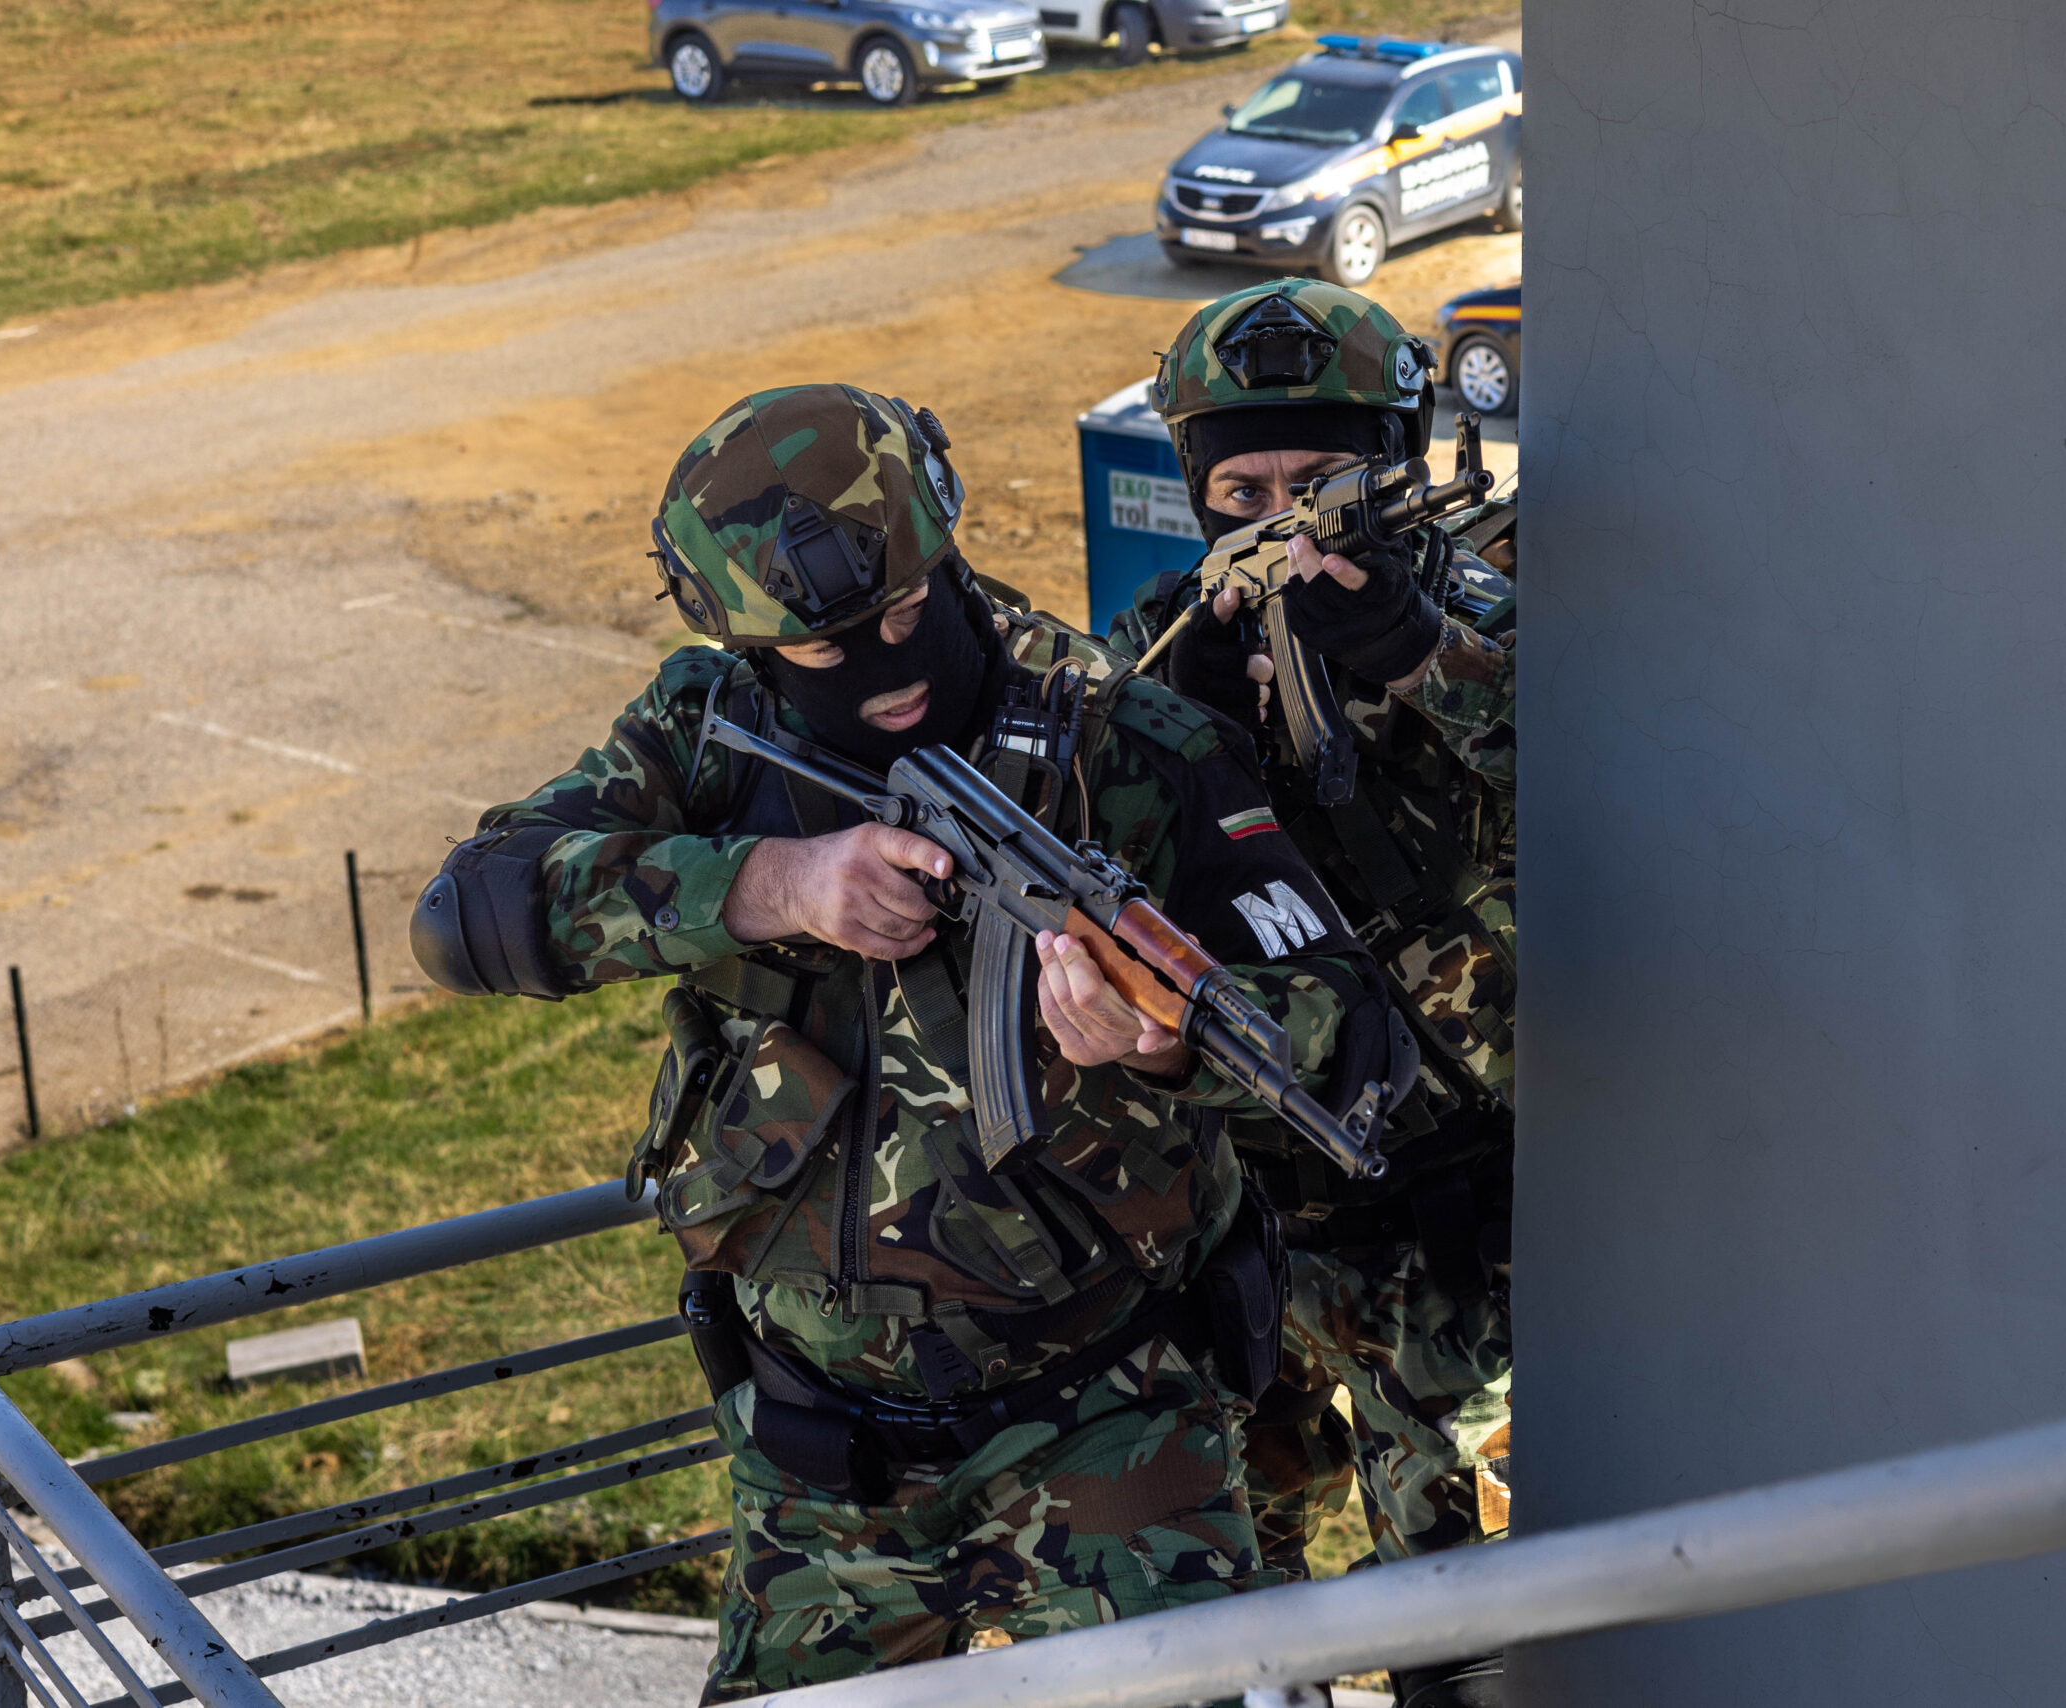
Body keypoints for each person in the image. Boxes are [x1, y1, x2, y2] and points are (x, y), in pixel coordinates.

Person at [409, 384, 1394, 1702]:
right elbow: (468, 915)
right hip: (823, 1448)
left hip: (1110, 1415)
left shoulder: (1131, 747)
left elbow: (1351, 1033)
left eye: (898, 617)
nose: (880, 672)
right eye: (821, 654)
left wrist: (1162, 1047)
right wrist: (770, 885)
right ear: (745, 640)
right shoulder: (706, 729)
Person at [1109, 281, 1518, 1708]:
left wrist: (1418, 658)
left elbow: (1605, 792)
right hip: (1256, 1208)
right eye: (1243, 487)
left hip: (1461, 1214)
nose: (1279, 518)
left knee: (1463, 1618)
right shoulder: (1166, 643)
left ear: (1392, 468)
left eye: (1320, 481)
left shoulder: (1483, 606)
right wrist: (1183, 733)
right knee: (1233, 1591)